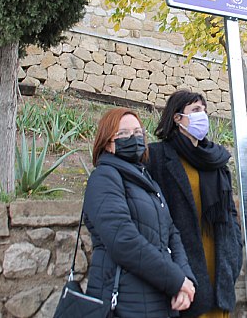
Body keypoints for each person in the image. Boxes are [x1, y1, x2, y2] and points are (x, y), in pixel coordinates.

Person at [83, 108, 197, 317]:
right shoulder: (104, 178)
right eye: (124, 134)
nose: (134, 138)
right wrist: (175, 280)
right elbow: (122, 240)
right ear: (108, 143)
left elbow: (171, 233)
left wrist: (185, 279)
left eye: (138, 132)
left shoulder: (146, 180)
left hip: (160, 299)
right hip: (125, 302)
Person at [146, 90, 243, 318]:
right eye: (196, 110)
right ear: (177, 118)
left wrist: (234, 247)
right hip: (182, 259)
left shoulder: (216, 159)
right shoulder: (158, 156)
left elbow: (229, 210)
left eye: (204, 110)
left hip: (218, 258)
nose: (203, 115)